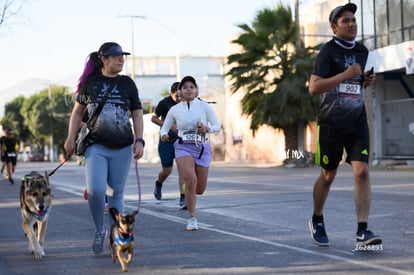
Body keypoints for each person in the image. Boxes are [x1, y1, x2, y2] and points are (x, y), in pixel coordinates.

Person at [307, 3, 381, 247]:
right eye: (345, 21)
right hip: (330, 123)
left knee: (362, 170)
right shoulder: (327, 52)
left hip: (357, 121)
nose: (352, 24)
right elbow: (314, 87)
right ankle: (317, 219)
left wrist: (365, 81)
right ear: (333, 28)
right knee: (328, 174)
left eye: (353, 20)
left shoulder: (363, 51)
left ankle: (363, 230)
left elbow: (355, 82)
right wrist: (345, 76)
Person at [64, 42, 145, 255]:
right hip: (96, 145)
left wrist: (140, 140)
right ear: (103, 59)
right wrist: (70, 138)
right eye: (116, 56)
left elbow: (137, 113)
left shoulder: (128, 84)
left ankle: (115, 233)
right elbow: (77, 113)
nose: (121, 59)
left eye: (123, 56)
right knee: (96, 191)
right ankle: (99, 228)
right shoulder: (91, 83)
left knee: (116, 192)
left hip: (122, 147)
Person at [160, 76, 221, 231]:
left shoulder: (204, 106)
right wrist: (164, 135)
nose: (188, 89)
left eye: (191, 87)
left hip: (201, 147)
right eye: (185, 87)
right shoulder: (174, 109)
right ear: (180, 91)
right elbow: (164, 128)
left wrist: (206, 129)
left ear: (196, 90)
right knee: (190, 180)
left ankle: (190, 201)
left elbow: (217, 126)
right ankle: (192, 218)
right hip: (182, 147)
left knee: (199, 189)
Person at [151, 81, 186, 209]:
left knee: (183, 170)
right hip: (166, 141)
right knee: (167, 170)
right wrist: (168, 125)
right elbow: (153, 118)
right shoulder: (164, 103)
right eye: (176, 96)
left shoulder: (186, 102)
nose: (179, 98)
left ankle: (183, 198)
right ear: (171, 94)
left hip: (181, 141)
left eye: (180, 95)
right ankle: (159, 183)